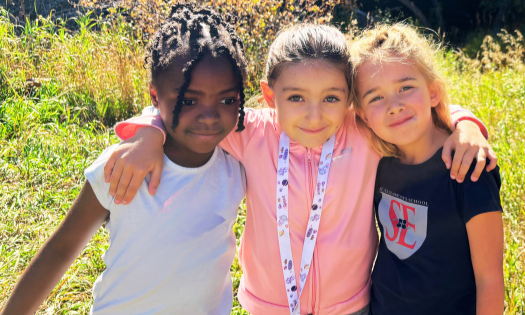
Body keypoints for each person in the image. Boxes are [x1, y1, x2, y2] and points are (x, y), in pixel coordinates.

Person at [103, 23, 497, 314]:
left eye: (331, 97)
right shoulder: (250, 131)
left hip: (352, 306)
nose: (314, 115)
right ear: (269, 96)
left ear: (350, 100)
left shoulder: (363, 134)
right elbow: (194, 115)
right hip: (269, 306)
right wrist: (149, 132)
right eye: (295, 98)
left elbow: (415, 113)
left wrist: (466, 125)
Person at [0, 5, 248, 314]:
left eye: (227, 100)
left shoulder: (237, 157)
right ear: (155, 97)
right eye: (189, 100)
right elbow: (61, 249)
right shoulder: (122, 166)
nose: (210, 117)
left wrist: (152, 129)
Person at [349, 24, 504, 315]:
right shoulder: (377, 162)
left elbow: (490, 279)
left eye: (405, 87)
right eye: (375, 98)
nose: (393, 106)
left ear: (433, 92)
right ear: (364, 117)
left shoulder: (467, 166)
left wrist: (468, 125)